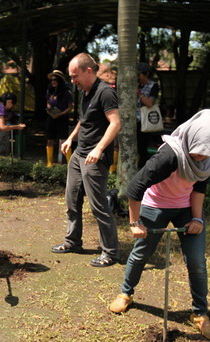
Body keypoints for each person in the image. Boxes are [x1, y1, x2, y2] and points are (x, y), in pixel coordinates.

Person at [108, 109, 210, 341]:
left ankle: (200, 314)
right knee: (142, 253)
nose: (200, 157)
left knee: (197, 261)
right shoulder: (169, 155)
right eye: (197, 152)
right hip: (155, 205)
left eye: (205, 152)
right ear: (192, 137)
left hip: (185, 208)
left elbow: (199, 188)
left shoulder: (208, 159)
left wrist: (197, 219)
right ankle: (126, 294)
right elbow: (135, 188)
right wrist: (135, 222)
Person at [51, 53, 121, 268]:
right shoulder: (86, 92)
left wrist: (99, 149)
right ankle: (73, 241)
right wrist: (71, 139)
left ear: (88, 71)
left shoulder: (105, 92)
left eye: (75, 76)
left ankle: (110, 252)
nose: (73, 81)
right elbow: (84, 120)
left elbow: (116, 123)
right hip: (79, 153)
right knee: (71, 200)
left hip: (94, 158)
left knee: (98, 205)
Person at [45, 70, 73, 167]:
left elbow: (70, 106)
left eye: (55, 79)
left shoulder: (66, 92)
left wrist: (61, 113)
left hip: (62, 118)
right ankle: (49, 162)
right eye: (52, 80)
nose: (53, 81)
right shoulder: (50, 90)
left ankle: (70, 163)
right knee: (49, 139)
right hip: (51, 117)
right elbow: (48, 101)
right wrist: (48, 108)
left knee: (64, 140)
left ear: (60, 80)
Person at [136, 62, 161, 168]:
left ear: (146, 74)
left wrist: (139, 94)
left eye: (139, 74)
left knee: (142, 149)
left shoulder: (153, 86)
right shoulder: (136, 84)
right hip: (134, 120)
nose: (137, 77)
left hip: (144, 122)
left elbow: (150, 103)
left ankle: (142, 169)